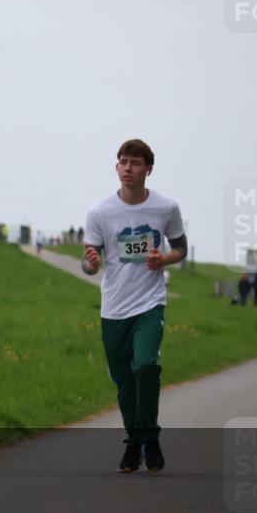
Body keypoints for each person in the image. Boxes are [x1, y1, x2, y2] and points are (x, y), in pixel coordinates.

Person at [82, 139, 187, 474]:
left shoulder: (165, 208)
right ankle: (135, 440)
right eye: (123, 162)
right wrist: (91, 263)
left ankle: (148, 438)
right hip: (113, 308)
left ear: (148, 170)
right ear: (117, 167)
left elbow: (181, 248)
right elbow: (88, 263)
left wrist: (164, 258)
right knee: (124, 380)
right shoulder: (100, 212)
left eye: (135, 163)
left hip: (149, 304)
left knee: (145, 365)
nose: (128, 168)